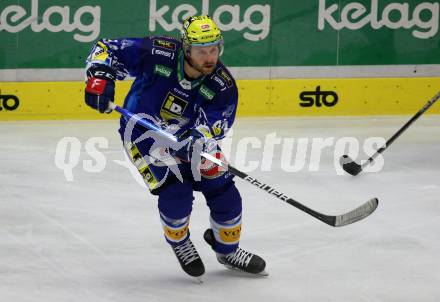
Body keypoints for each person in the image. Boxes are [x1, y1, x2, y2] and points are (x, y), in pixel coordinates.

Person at [83, 15, 266, 280]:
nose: (209, 57)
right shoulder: (159, 52)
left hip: (190, 141)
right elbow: (107, 49)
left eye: (214, 50)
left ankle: (227, 250)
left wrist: (199, 137)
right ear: (186, 48)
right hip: (143, 135)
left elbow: (219, 124)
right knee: (175, 194)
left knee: (225, 191)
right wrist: (100, 78)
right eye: (202, 51)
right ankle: (181, 244)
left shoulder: (222, 84)